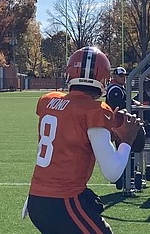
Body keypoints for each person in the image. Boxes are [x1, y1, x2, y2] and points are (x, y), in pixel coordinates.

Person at [24, 47, 142, 233]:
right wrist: (126, 140)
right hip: (62, 201)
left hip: (36, 198)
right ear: (104, 79)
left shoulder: (49, 101)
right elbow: (112, 172)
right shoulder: (94, 111)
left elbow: (69, 133)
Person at [105, 67, 144, 189]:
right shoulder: (115, 89)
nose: (124, 78)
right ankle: (123, 178)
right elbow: (119, 106)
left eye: (125, 76)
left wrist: (134, 103)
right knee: (124, 151)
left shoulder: (119, 88)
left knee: (126, 151)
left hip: (122, 124)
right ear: (115, 76)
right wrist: (132, 105)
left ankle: (125, 178)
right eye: (121, 76)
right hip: (119, 125)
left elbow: (126, 100)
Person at [133, 77, 150, 176]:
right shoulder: (137, 99)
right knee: (138, 149)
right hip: (139, 129)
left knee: (149, 149)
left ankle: (149, 166)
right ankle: (137, 168)